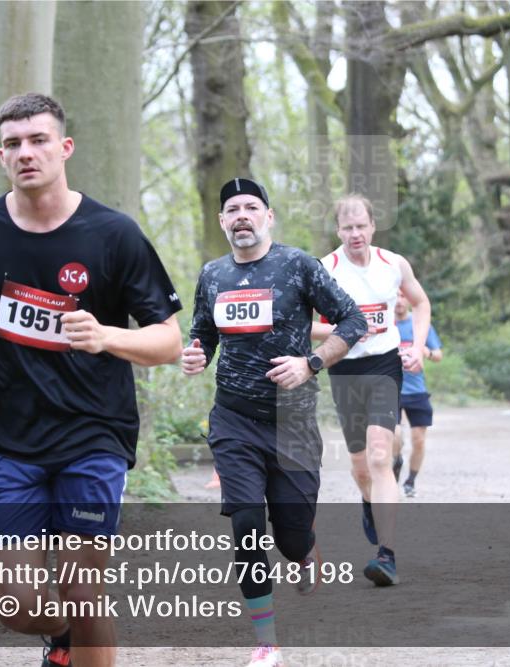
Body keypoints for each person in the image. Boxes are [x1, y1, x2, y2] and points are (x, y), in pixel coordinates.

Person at [0, 93, 182, 667]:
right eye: (13, 144)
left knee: (85, 591)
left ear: (65, 147)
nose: (26, 153)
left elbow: (169, 341)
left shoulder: (113, 233)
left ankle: (78, 634)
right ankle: (63, 642)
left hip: (94, 437)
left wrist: (106, 336)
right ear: (1, 155)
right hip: (13, 441)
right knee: (11, 602)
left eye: (38, 140)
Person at [181, 177, 366, 667]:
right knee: (245, 525)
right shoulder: (213, 275)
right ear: (222, 222)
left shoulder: (298, 265)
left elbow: (354, 322)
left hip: (294, 421)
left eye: (251, 207)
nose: (241, 215)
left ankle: (305, 551)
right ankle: (267, 642)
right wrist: (196, 354)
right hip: (234, 419)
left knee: (289, 536)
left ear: (268, 216)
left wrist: (311, 363)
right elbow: (202, 332)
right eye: (232, 210)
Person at [313, 194, 431, 587]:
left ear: (372, 226)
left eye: (361, 226)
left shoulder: (393, 264)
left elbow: (420, 302)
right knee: (361, 468)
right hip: (344, 368)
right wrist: (343, 329)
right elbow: (304, 325)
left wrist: (415, 346)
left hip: (384, 365)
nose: (355, 234)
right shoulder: (324, 269)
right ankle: (369, 500)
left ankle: (386, 555)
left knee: (380, 457)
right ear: (338, 231)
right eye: (347, 228)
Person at [391, 290, 443, 497]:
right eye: (395, 296)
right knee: (394, 436)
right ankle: (396, 461)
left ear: (410, 301)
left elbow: (438, 355)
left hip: (416, 390)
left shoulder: (420, 325)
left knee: (419, 440)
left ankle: (410, 481)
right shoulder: (385, 325)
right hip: (390, 388)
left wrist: (425, 352)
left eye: (403, 296)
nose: (399, 300)